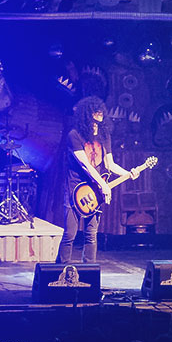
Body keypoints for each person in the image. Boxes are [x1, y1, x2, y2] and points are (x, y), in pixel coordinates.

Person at [58, 96, 135, 264]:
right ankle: (60, 271)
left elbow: (110, 164)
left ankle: (89, 271)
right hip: (75, 189)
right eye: (95, 110)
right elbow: (85, 165)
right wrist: (103, 185)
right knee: (70, 234)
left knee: (91, 235)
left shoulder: (104, 135)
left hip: (95, 191)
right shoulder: (74, 135)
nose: (100, 113)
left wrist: (128, 173)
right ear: (87, 113)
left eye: (101, 110)